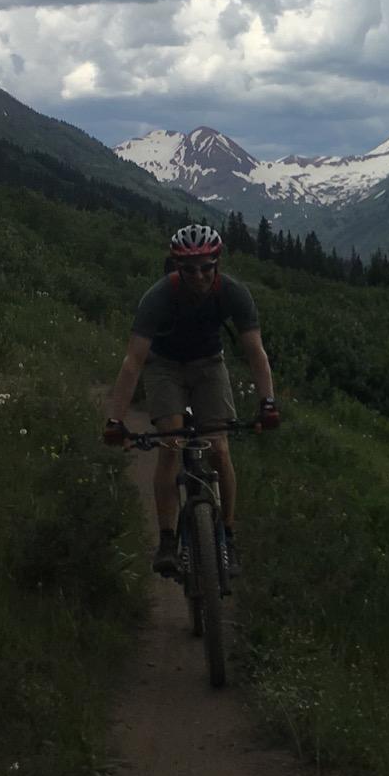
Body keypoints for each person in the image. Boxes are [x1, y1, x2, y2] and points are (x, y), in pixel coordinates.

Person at [102, 223, 280, 577]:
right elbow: (133, 362)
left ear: (217, 264)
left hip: (209, 365)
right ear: (176, 267)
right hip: (164, 366)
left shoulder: (233, 293)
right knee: (171, 443)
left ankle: (227, 536)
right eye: (189, 269)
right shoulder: (157, 297)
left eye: (206, 267)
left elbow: (255, 353)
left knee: (220, 448)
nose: (198, 275)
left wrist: (268, 403)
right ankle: (168, 540)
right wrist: (114, 421)